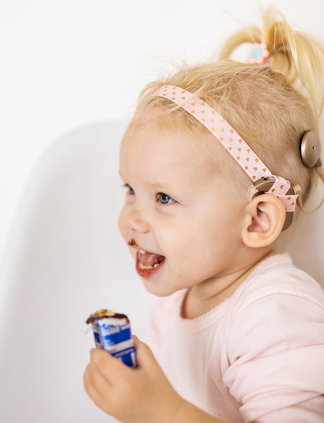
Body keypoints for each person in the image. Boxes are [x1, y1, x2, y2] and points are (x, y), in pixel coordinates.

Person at [83, 7, 324, 423]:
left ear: (257, 221)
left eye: (164, 198)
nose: (131, 221)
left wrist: (163, 412)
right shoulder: (179, 295)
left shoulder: (275, 313)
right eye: (130, 190)